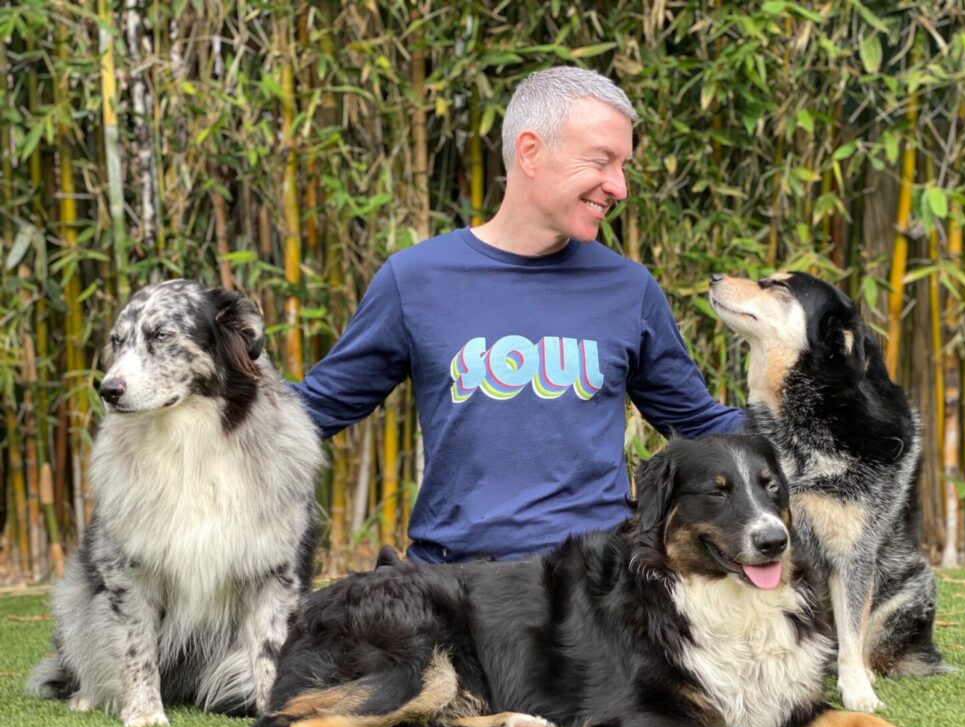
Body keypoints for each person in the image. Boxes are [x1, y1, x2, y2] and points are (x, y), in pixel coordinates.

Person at [293, 66, 743, 563]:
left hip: (593, 593)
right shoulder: (417, 280)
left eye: (624, 166)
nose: (619, 187)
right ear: (530, 151)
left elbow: (700, 423)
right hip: (455, 589)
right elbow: (314, 410)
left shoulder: (628, 289)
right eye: (602, 161)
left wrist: (818, 413)